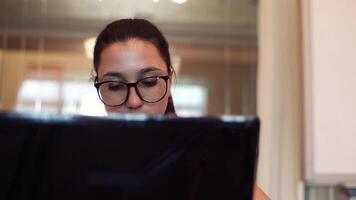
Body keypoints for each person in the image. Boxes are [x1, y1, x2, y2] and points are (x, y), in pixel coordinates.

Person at [93, 18, 269, 200]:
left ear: (169, 82)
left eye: (149, 82)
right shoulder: (81, 162)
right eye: (114, 85)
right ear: (99, 87)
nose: (133, 100)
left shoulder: (205, 158)